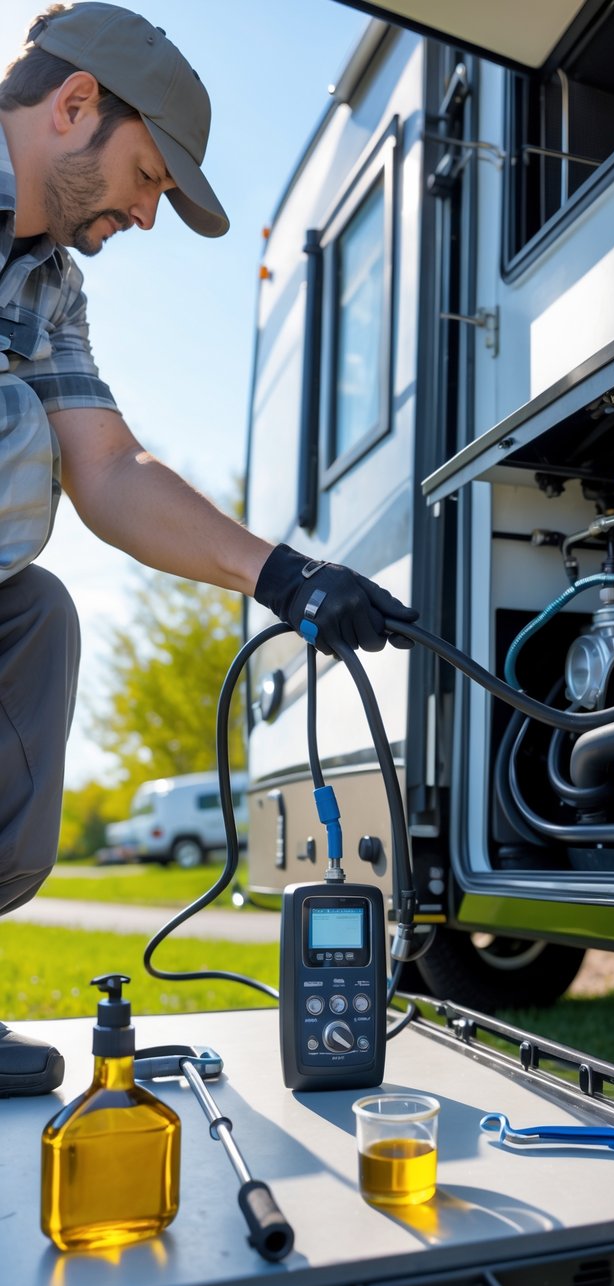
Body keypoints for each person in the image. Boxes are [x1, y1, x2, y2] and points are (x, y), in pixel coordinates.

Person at [0, 1, 417, 1097]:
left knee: (36, 618)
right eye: (148, 175)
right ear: (74, 105)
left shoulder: (48, 288)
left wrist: (288, 579)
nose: (148, 213)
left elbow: (109, 469)